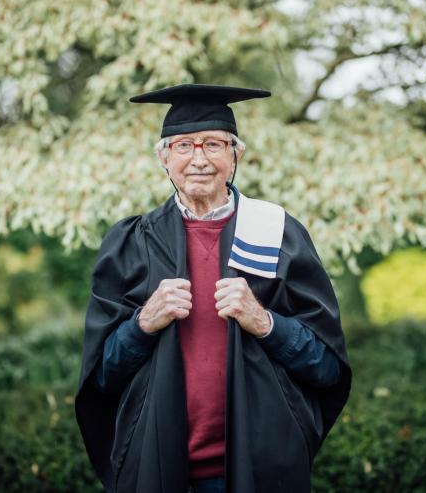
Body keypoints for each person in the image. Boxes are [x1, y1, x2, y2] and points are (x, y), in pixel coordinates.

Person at [75, 84, 351, 493]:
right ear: (163, 158)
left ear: (235, 155)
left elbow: (327, 369)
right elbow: (101, 378)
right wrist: (143, 322)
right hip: (158, 469)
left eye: (214, 144)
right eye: (184, 145)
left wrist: (264, 322)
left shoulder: (277, 234)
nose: (199, 158)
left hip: (261, 468)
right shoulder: (131, 243)